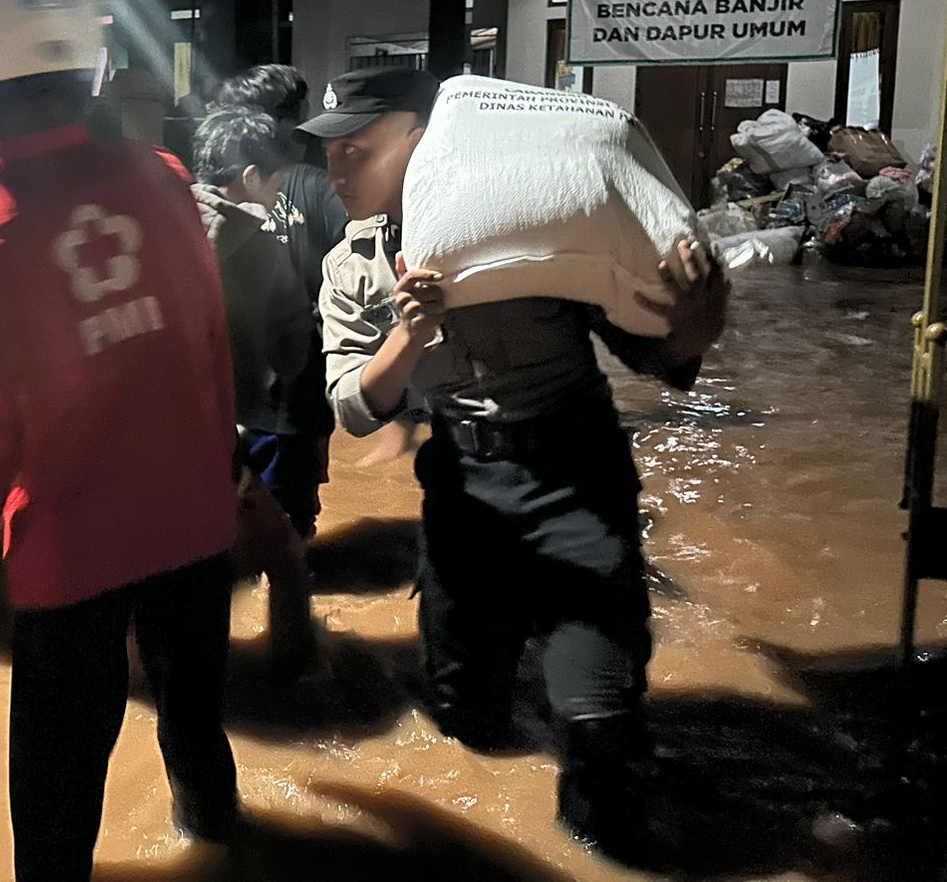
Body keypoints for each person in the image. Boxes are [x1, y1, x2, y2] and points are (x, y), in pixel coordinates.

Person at [306, 64, 729, 865]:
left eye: (357, 151)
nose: (337, 172)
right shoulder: (351, 267)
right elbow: (357, 410)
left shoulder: (528, 223)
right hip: (464, 492)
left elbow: (652, 351)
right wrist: (410, 334)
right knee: (466, 711)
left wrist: (694, 325)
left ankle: (603, 845)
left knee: (599, 720)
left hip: (576, 475)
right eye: (330, 153)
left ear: (419, 138)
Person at [0, 0, 241, 881]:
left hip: (72, 558)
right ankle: (220, 840)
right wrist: (226, 485)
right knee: (196, 727)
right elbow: (207, 351)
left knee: (56, 803)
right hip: (194, 527)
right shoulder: (166, 178)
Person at [190, 106, 317, 672]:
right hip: (217, 439)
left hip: (128, 443)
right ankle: (298, 683)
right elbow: (295, 351)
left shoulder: (147, 224)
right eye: (276, 182)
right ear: (248, 179)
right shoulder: (260, 250)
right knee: (286, 557)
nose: (278, 195)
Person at [211, 65, 350, 538]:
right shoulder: (322, 187)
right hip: (296, 390)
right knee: (291, 520)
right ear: (286, 123)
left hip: (219, 394)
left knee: (222, 514)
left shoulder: (207, 194)